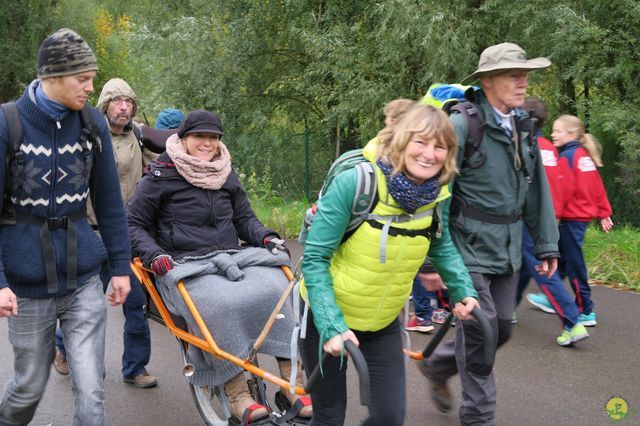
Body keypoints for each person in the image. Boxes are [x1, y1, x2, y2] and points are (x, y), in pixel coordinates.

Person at [300, 102, 480, 426]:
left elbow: (442, 245)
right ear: (401, 140)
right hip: (326, 318)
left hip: (382, 323)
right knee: (328, 417)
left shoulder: (438, 193)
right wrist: (331, 325)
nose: (429, 154)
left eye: (440, 146)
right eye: (421, 142)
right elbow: (314, 259)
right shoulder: (356, 183)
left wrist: (462, 290)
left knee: (388, 418)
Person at [127, 109, 312, 424]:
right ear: (183, 139)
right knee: (220, 303)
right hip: (183, 264)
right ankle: (237, 393)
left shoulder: (225, 171)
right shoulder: (161, 174)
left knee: (278, 288)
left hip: (231, 256)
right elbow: (132, 225)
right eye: (200, 136)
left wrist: (266, 237)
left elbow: (244, 219)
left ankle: (292, 382)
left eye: (213, 137)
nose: (207, 143)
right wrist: (153, 253)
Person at [418, 43, 560, 425]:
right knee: (482, 330)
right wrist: (432, 260)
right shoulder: (463, 125)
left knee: (500, 330)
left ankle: (437, 365)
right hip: (466, 246)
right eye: (514, 74)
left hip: (509, 249)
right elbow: (435, 191)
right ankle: (478, 416)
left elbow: (536, 190)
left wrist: (546, 243)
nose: (523, 81)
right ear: (488, 81)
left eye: (525, 73)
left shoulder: (521, 124)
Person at [0, 28, 131, 425]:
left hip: (84, 279)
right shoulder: (8, 124)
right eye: (83, 78)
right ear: (52, 77)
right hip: (25, 286)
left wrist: (121, 268)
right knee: (27, 387)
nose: (92, 87)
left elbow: (109, 203)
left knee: (92, 393)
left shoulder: (92, 125)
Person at [512, 97, 589, 346]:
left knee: (541, 269)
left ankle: (572, 321)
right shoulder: (547, 147)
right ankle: (506, 311)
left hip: (530, 219)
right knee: (525, 266)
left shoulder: (527, 145)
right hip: (548, 218)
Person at [528, 114, 613, 327]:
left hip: (570, 219)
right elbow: (597, 187)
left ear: (572, 134)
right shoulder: (583, 156)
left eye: (558, 131)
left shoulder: (566, 157)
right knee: (563, 258)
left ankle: (585, 309)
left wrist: (551, 216)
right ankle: (551, 297)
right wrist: (604, 212)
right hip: (580, 219)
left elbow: (561, 190)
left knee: (574, 264)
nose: (553, 134)